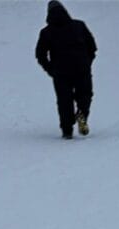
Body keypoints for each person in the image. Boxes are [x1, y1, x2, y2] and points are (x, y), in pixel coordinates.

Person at [35, 0, 97, 140]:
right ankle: (82, 114)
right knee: (84, 94)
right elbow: (92, 46)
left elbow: (40, 54)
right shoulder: (79, 25)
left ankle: (67, 130)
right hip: (81, 68)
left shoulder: (46, 32)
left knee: (64, 100)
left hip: (61, 72)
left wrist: (50, 69)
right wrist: (87, 62)